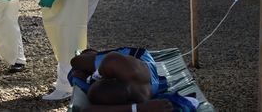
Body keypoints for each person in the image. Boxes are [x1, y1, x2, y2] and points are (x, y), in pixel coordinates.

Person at [69, 48, 199, 112]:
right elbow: (111, 60)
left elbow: (89, 111)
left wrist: (91, 79)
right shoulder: (127, 71)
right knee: (79, 63)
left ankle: (91, 56)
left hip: (139, 72)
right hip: (138, 64)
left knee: (77, 62)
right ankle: (92, 56)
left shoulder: (128, 75)